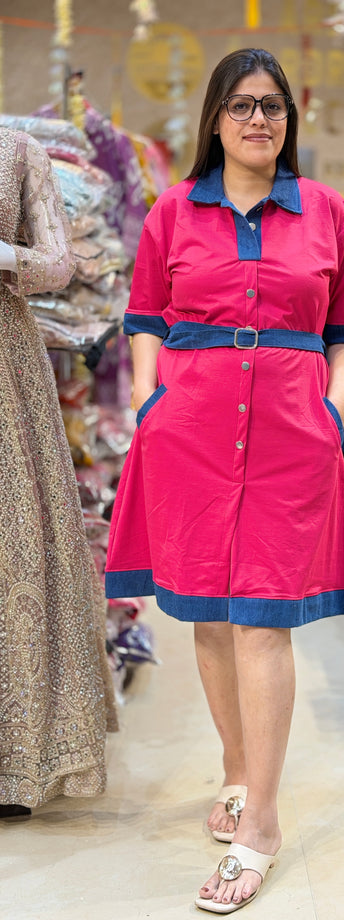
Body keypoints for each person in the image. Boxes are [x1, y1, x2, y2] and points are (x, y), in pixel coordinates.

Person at [105, 47, 344, 912]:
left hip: (293, 433)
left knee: (262, 618)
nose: (260, 119)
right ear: (215, 118)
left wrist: (331, 413)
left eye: (274, 106)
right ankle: (232, 772)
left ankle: (260, 821)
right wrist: (150, 401)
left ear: (289, 121)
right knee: (206, 614)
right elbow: (144, 315)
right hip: (189, 427)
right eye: (243, 105)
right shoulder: (172, 210)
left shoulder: (324, 210)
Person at [0, 127, 117, 817]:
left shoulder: (17, 152)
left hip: (5, 363)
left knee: (14, 546)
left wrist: (2, 253)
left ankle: (19, 756)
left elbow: (59, 262)